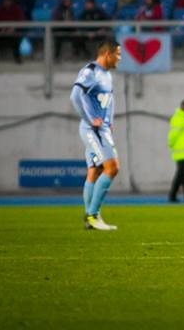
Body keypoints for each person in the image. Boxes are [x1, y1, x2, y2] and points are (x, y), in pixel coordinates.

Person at [70, 40, 122, 231]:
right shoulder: (91, 71)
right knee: (112, 168)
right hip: (93, 129)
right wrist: (91, 119)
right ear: (108, 54)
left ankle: (89, 220)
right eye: (118, 54)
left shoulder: (107, 75)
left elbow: (110, 98)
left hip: (102, 128)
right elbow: (75, 96)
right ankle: (93, 214)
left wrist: (110, 120)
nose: (120, 58)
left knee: (95, 170)